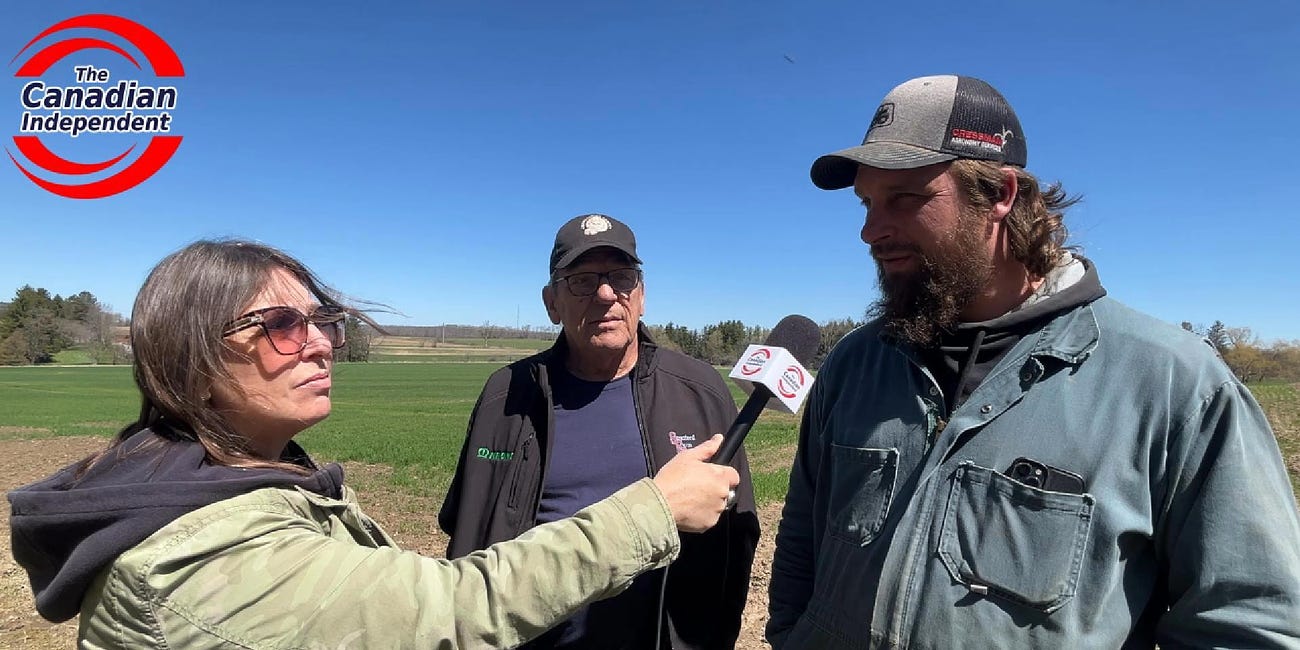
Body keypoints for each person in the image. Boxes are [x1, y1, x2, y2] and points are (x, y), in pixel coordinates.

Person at [766, 75, 1300, 648]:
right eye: (868, 203)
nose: (871, 230)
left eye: (906, 198)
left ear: (1000, 195)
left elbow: (1250, 621)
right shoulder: (856, 363)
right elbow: (803, 540)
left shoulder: (1172, 381)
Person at [7, 239, 742, 649]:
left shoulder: (245, 481)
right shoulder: (201, 551)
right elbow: (456, 598)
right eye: (282, 326)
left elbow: (739, 541)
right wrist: (652, 510)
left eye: (323, 320)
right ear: (189, 363)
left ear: (643, 293)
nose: (324, 343)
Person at [439, 213, 761, 649]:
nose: (606, 294)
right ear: (551, 302)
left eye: (621, 277)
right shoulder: (507, 395)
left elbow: (739, 535)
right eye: (582, 281)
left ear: (641, 296)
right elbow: (469, 523)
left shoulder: (700, 392)